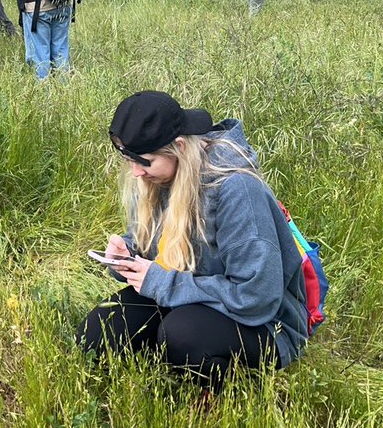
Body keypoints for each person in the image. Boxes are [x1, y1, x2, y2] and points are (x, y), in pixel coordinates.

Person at [78, 91, 309, 391]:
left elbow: (257, 298)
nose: (136, 171)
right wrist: (128, 254)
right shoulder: (155, 177)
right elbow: (152, 246)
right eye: (130, 160)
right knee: (97, 335)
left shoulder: (236, 189)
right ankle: (170, 358)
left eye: (144, 161)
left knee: (182, 335)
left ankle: (219, 393)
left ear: (179, 147)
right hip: (187, 296)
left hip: (264, 324)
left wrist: (161, 284)